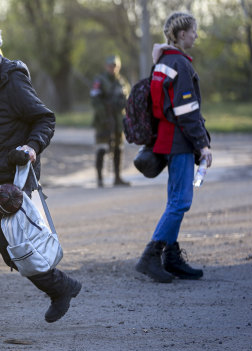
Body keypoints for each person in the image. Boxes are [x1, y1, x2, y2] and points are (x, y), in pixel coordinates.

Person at [0, 21, 82, 330]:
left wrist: (32, 147)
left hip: (10, 184)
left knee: (15, 252)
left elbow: (44, 119)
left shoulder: (12, 81)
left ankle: (62, 287)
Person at [135, 11, 212, 283]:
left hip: (165, 140)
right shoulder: (179, 63)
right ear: (181, 34)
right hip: (179, 141)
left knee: (174, 201)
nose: (196, 35)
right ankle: (150, 257)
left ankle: (172, 257)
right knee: (181, 201)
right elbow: (187, 111)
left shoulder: (162, 62)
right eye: (193, 31)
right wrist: (203, 146)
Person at [90, 55, 131, 187]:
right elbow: (95, 100)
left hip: (118, 120)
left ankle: (117, 178)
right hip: (103, 120)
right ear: (105, 66)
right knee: (102, 148)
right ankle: (100, 179)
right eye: (110, 66)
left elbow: (127, 100)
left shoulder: (122, 82)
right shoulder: (99, 81)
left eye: (115, 66)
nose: (112, 68)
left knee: (118, 147)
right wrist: (104, 116)